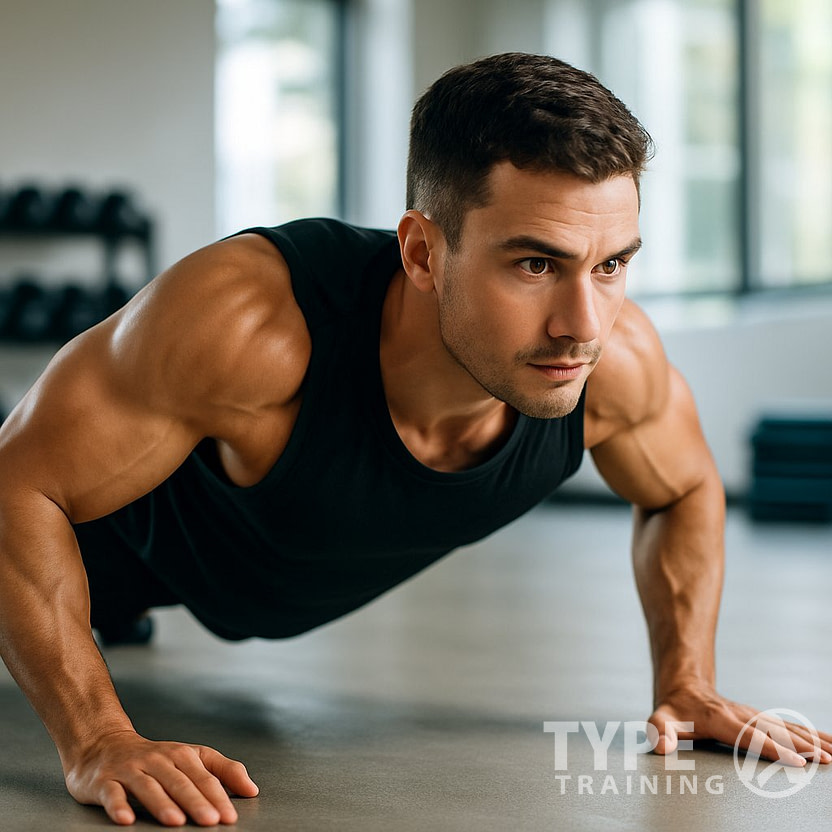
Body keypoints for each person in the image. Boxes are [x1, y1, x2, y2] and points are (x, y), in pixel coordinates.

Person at [0, 52, 828, 828]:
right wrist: (98, 736)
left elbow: (682, 487)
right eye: (535, 265)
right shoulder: (250, 326)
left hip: (181, 588)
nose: (583, 326)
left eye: (610, 265)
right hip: (60, 560)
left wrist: (686, 682)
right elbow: (13, 486)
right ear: (423, 252)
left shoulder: (617, 369)